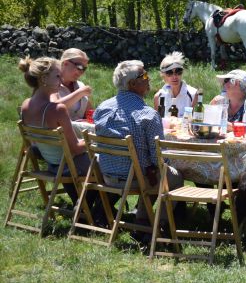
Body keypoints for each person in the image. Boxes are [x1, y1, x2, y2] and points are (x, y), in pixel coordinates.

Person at [93, 60, 183, 225]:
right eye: (145, 75)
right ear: (133, 84)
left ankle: (142, 218)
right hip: (135, 178)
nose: (149, 78)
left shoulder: (102, 108)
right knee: (171, 176)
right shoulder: (147, 115)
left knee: (151, 170)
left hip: (106, 174)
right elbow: (158, 159)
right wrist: (171, 163)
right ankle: (159, 225)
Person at [18, 56, 91, 205]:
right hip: (69, 165)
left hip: (51, 163)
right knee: (110, 163)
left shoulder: (26, 105)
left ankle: (85, 207)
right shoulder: (57, 109)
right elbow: (76, 149)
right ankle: (96, 210)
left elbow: (33, 144)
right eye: (57, 76)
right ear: (44, 78)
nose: (61, 78)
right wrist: (94, 140)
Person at [153, 51, 198, 117]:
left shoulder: (193, 94)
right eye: (169, 73)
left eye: (178, 72)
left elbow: (195, 122)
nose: (174, 77)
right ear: (163, 75)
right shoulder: (158, 97)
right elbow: (157, 123)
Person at [52, 48, 93, 121]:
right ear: (65, 63)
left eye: (84, 69)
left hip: (79, 130)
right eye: (79, 67)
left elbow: (89, 113)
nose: (82, 72)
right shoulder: (50, 84)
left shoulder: (80, 85)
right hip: (58, 131)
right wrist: (79, 93)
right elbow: (52, 108)